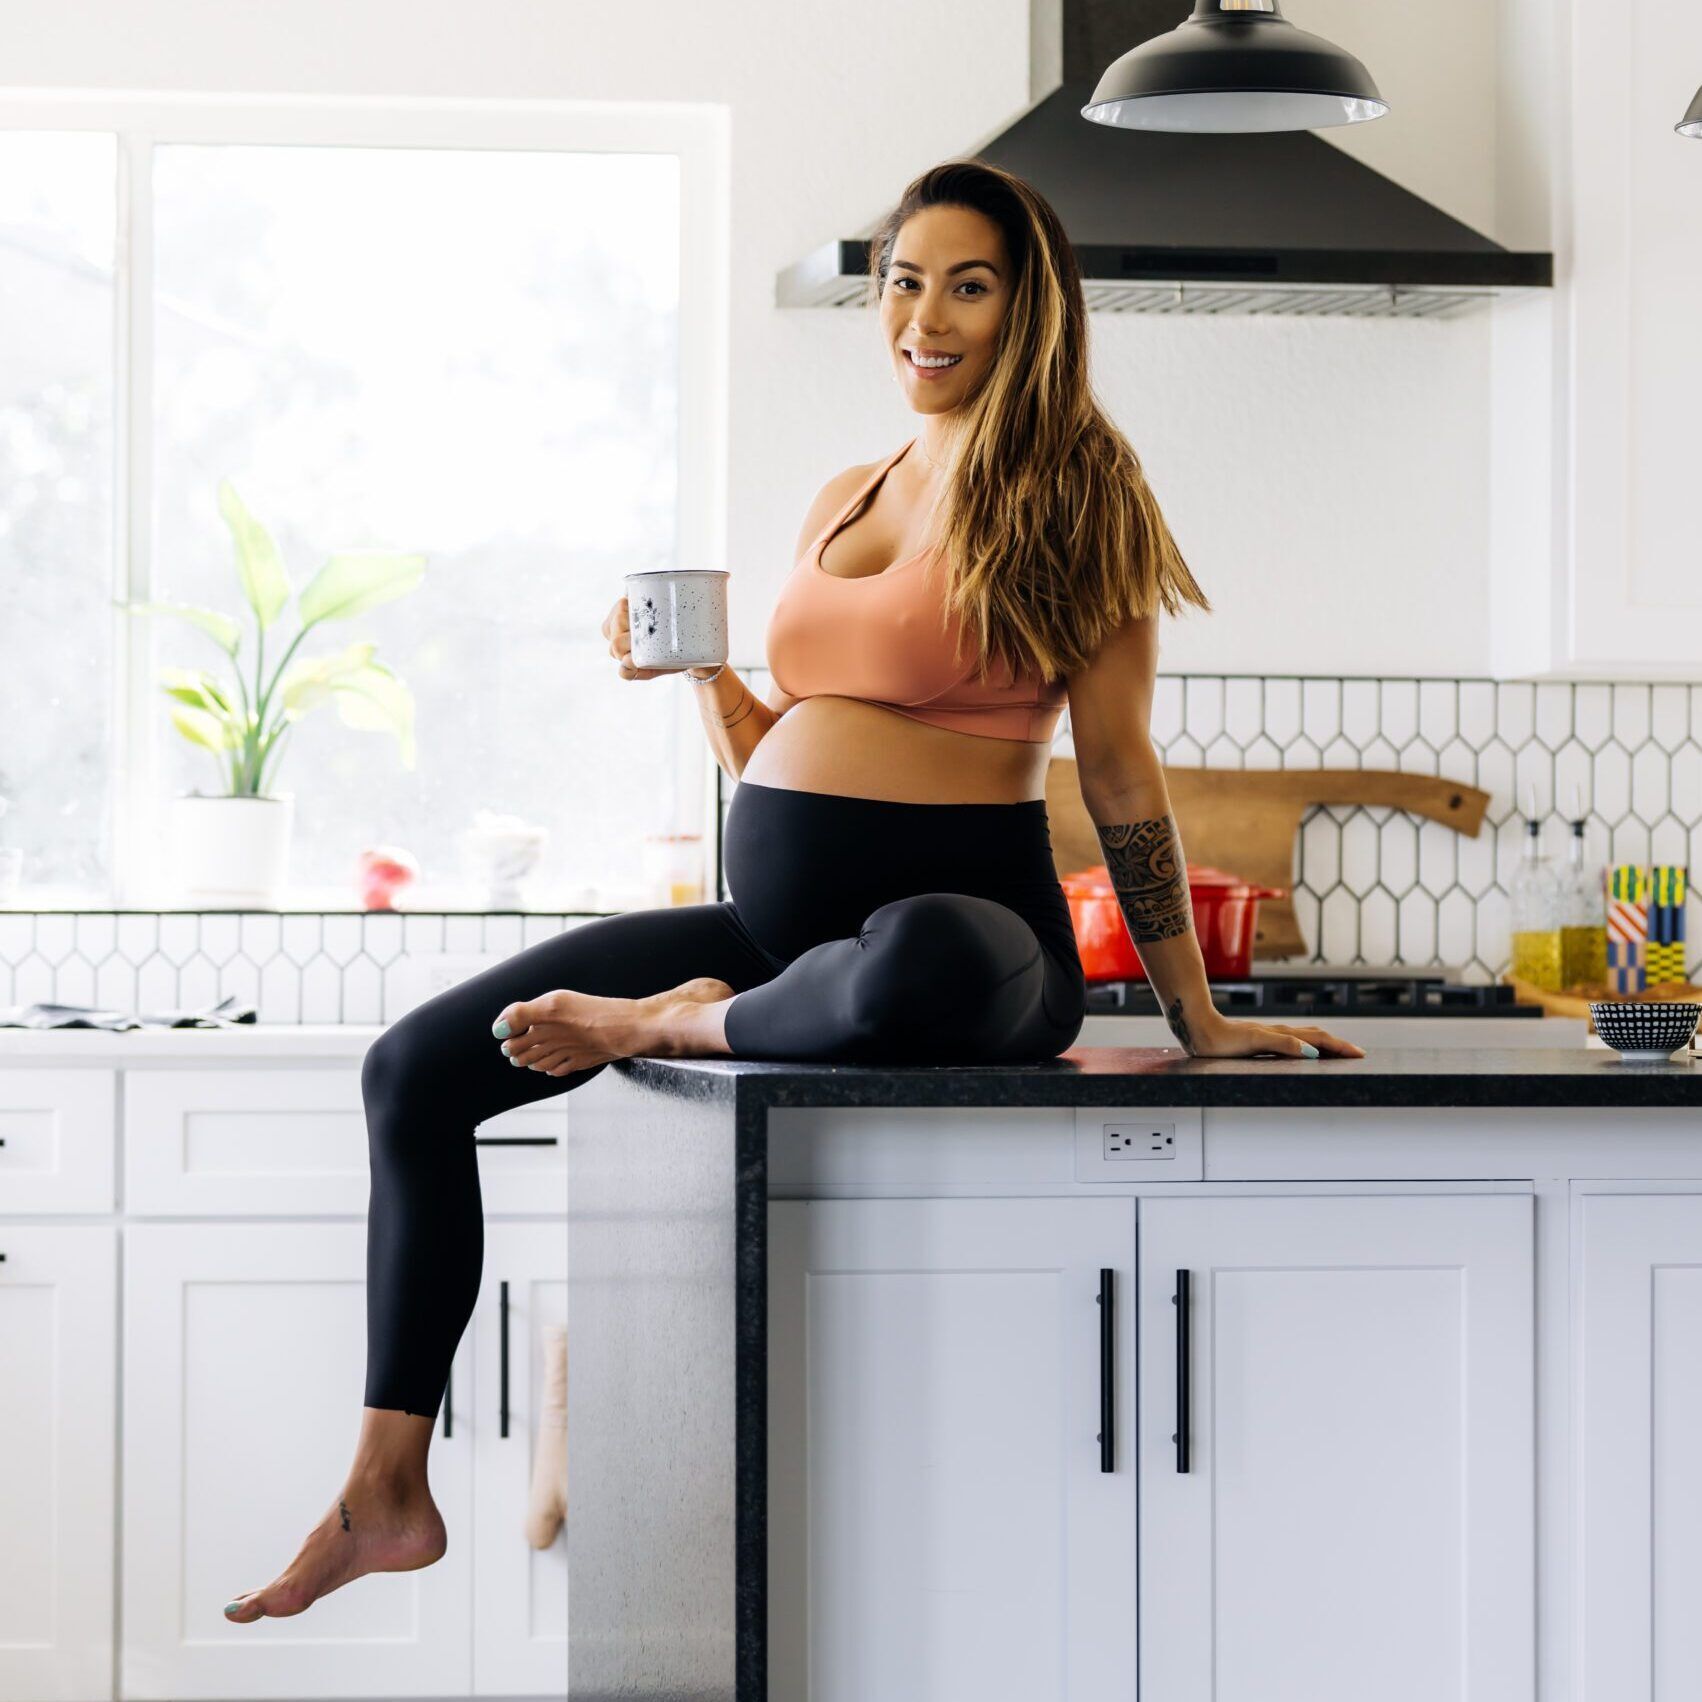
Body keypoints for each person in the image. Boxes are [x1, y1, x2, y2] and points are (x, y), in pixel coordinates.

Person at [222, 157, 1365, 1625]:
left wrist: (1196, 1016)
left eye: (969, 283)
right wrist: (703, 670)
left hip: (972, 941)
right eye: (903, 278)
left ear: (1031, 308)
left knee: (922, 960)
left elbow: (1122, 769)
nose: (924, 316)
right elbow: (789, 745)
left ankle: (678, 1024)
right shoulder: (853, 486)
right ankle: (385, 1483)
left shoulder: (1078, 485)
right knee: (412, 1069)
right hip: (780, 933)